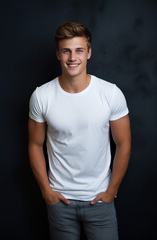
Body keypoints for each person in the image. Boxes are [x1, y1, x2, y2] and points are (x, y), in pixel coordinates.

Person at [28, 22, 131, 240]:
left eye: (79, 50)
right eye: (66, 51)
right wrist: (46, 191)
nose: (72, 57)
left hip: (100, 201)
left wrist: (112, 191)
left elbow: (123, 144)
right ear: (58, 54)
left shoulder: (110, 93)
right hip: (59, 203)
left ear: (89, 53)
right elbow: (35, 145)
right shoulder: (41, 96)